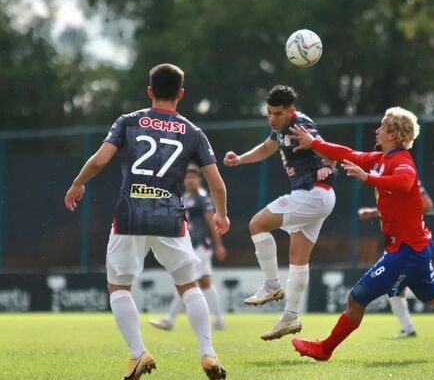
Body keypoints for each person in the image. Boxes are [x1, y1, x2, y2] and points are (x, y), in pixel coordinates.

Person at [288, 107, 434, 361]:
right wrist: (314, 142)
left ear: (393, 134)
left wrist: (368, 179)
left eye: (382, 126)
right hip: (414, 247)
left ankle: (324, 349)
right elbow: (347, 153)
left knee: (356, 298)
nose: (377, 129)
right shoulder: (381, 159)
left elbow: (405, 182)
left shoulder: (401, 161)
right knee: (433, 294)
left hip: (406, 252)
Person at [64, 63, 228, 379]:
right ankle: (208, 353)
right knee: (188, 285)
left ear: (150, 91)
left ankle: (138, 353)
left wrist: (77, 183)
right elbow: (218, 184)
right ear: (181, 94)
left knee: (119, 286)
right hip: (170, 217)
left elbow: (99, 160)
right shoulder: (193, 132)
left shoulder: (129, 121)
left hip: (130, 214)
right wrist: (221, 214)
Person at [223, 85, 336, 341]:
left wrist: (328, 165)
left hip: (312, 193)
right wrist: (240, 159)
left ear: (291, 111)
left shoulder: (300, 124)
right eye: (269, 113)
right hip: (318, 197)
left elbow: (327, 150)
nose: (272, 118)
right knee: (298, 261)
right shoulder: (280, 129)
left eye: (278, 113)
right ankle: (290, 318)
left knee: (257, 224)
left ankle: (272, 286)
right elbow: (267, 147)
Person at [150, 164, 227, 332]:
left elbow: (211, 221)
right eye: (187, 177)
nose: (190, 180)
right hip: (189, 244)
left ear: (199, 179)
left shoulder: (202, 197)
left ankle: (169, 319)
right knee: (205, 283)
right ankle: (220, 320)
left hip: (199, 245)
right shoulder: (182, 197)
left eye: (193, 177)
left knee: (185, 280)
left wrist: (219, 244)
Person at [358, 181, 433, 339]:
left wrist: (374, 213)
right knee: (399, 289)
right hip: (400, 243)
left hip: (406, 244)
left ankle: (409, 328)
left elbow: (427, 205)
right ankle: (408, 329)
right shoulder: (387, 177)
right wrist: (375, 213)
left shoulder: (404, 176)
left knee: (396, 288)